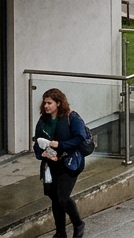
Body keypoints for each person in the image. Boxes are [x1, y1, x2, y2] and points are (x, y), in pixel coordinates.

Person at [33, 88, 90, 237]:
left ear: (58, 103)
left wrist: (60, 145)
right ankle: (60, 232)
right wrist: (42, 153)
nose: (46, 106)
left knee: (63, 197)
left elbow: (80, 138)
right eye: (45, 103)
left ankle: (78, 224)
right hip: (50, 163)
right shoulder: (43, 121)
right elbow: (37, 141)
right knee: (54, 197)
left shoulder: (72, 117)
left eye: (49, 103)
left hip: (69, 162)